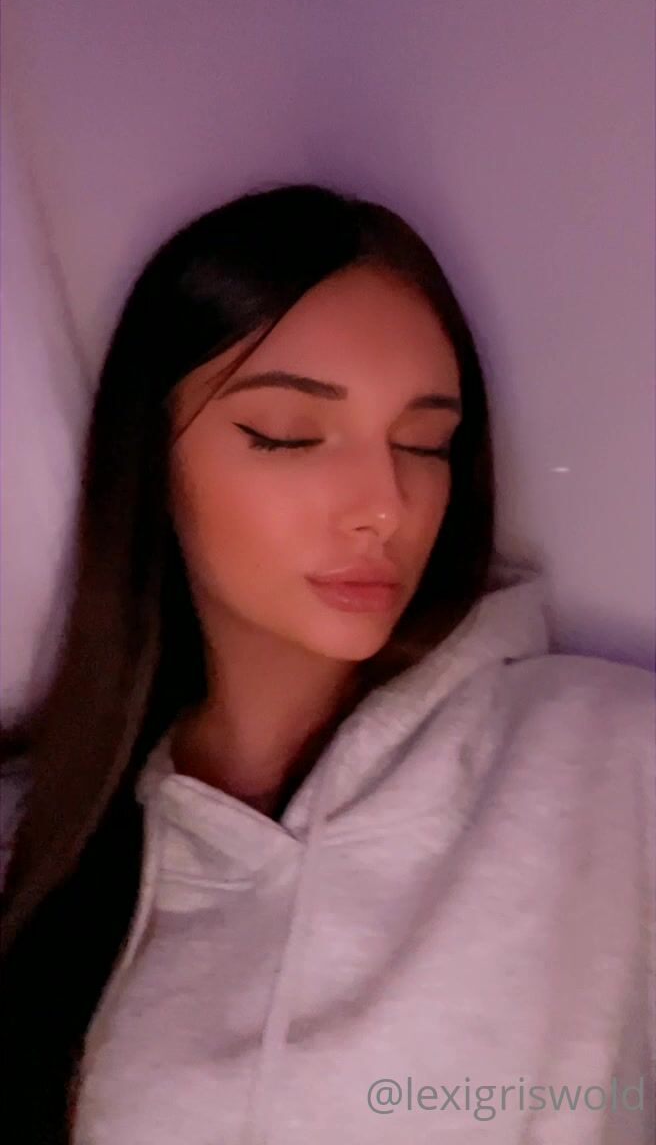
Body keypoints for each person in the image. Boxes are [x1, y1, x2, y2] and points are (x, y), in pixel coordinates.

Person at [0, 182, 653, 1144]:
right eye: (288, 435)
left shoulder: (612, 760)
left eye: (425, 443)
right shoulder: (34, 841)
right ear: (151, 460)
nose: (383, 505)